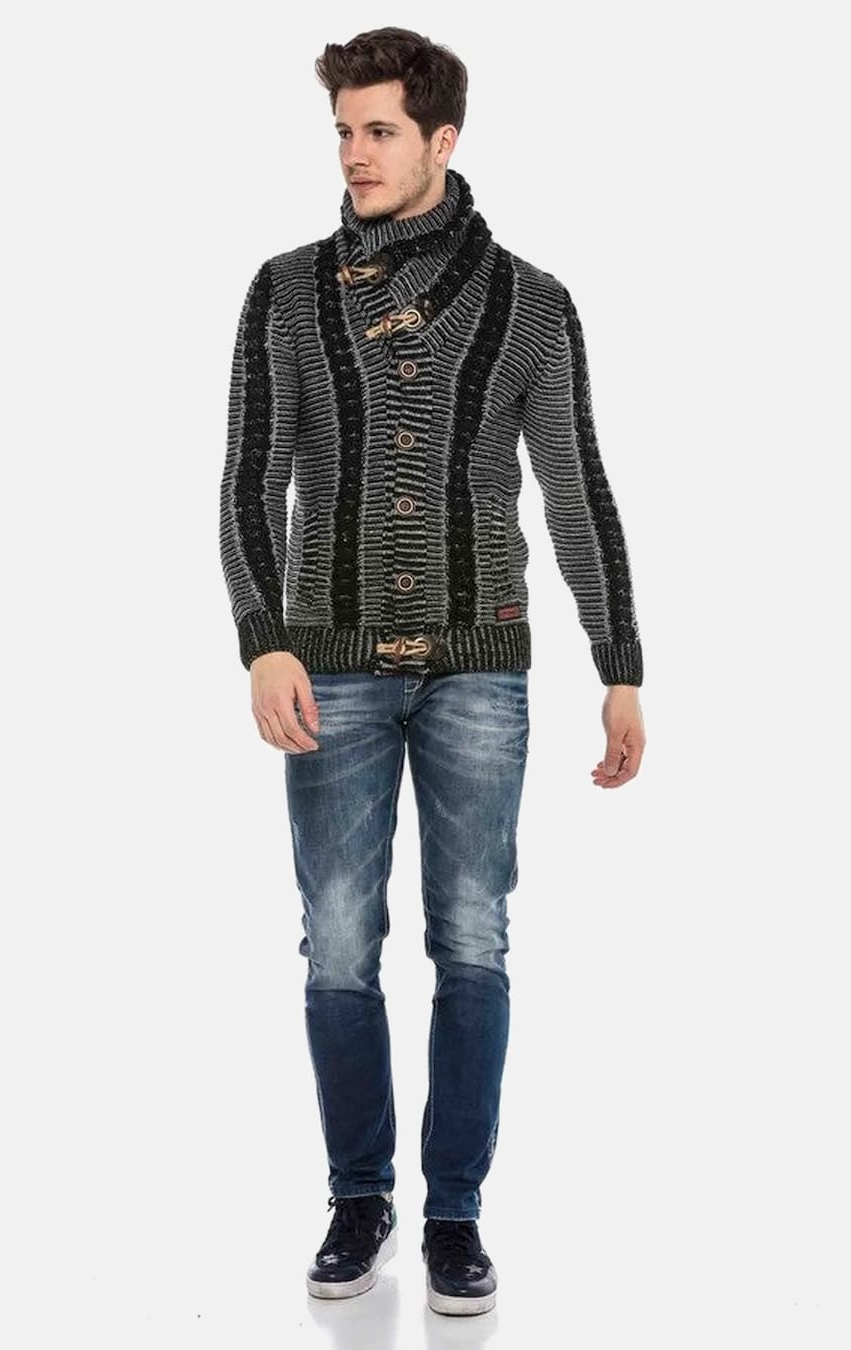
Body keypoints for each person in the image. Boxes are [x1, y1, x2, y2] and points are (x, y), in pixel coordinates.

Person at [219, 25, 646, 1318]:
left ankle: (455, 1214)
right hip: (331, 670)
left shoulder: (532, 302)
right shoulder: (286, 291)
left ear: (441, 139)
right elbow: (249, 477)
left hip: (480, 670)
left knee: (473, 940)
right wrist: (265, 637)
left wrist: (620, 662)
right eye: (343, 131)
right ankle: (360, 1198)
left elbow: (574, 487)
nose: (354, 153)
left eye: (380, 130)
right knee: (339, 945)